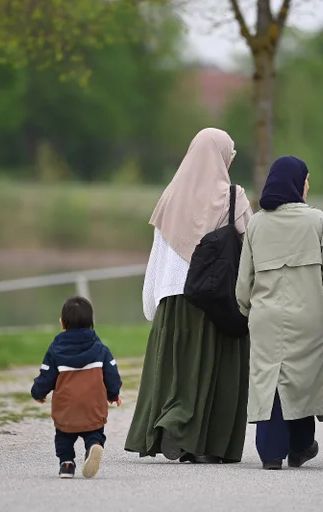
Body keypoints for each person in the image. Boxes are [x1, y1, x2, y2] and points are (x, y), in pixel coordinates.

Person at [124, 127, 253, 464]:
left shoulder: (171, 196)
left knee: (173, 370)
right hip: (214, 300)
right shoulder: (233, 198)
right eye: (230, 155)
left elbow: (157, 255)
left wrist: (152, 301)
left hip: (172, 300)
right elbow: (251, 250)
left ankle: (166, 426)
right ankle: (204, 441)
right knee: (212, 370)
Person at [236, 155, 323, 470]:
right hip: (310, 316)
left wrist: (246, 308)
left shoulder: (256, 223)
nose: (307, 186)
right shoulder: (317, 221)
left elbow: (244, 280)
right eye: (306, 180)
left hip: (267, 318)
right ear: (297, 183)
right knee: (304, 377)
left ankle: (271, 452)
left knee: (269, 378)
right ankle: (300, 445)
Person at [31, 296, 122, 479]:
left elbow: (46, 375)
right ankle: (94, 445)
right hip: (93, 406)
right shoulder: (101, 349)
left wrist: (38, 393)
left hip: (66, 408)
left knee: (63, 436)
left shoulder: (55, 350)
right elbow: (112, 374)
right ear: (92, 323)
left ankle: (66, 464)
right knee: (94, 431)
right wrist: (113, 394)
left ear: (62, 323)